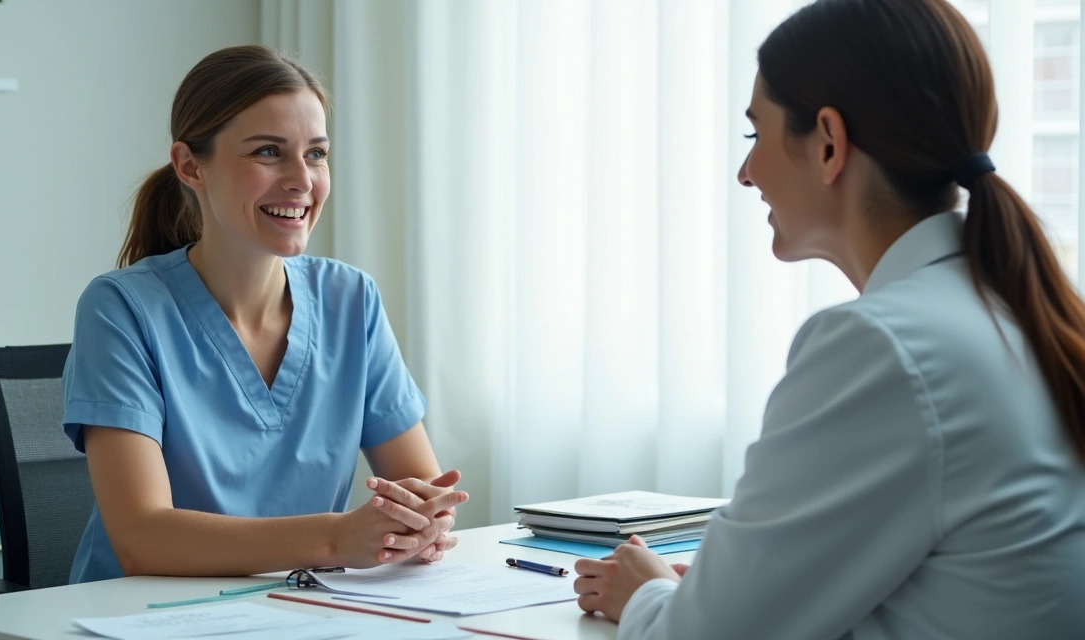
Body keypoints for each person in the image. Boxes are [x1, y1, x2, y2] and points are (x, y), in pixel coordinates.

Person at [572, 0, 1085, 637]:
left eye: (755, 134)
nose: (746, 172)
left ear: (828, 144)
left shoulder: (882, 349)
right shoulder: (1016, 312)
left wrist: (648, 595)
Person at [60, 45, 467, 583]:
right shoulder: (121, 309)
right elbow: (142, 537)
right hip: (141, 617)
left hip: (299, 610)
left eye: (317, 154)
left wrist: (420, 521)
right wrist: (338, 537)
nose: (302, 179)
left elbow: (421, 484)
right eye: (268, 152)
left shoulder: (351, 299)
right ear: (189, 166)